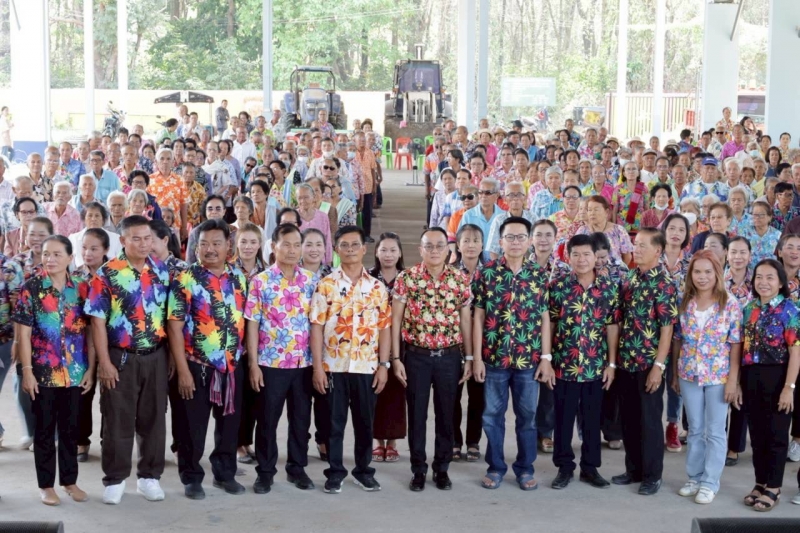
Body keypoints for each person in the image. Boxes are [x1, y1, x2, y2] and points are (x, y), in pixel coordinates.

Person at [85, 215, 171, 505]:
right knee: (117, 420)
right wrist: (105, 363)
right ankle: (115, 479)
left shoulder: (160, 270)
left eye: (148, 238)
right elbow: (97, 322)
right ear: (122, 240)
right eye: (136, 238)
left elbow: (169, 317)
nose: (144, 244)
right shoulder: (107, 274)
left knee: (154, 419)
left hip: (156, 355)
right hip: (120, 357)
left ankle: (149, 478)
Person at [167, 219, 248, 500]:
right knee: (192, 427)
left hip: (231, 366)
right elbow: (174, 327)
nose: (210, 249)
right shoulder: (185, 279)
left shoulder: (238, 278)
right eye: (204, 244)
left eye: (216, 243)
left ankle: (225, 474)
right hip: (196, 366)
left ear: (228, 246)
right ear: (196, 247)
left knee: (229, 426)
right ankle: (191, 477)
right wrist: (183, 371)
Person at [471, 217, 552, 491]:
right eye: (510, 237)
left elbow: (544, 318)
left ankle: (525, 468)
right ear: (500, 241)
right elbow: (478, 316)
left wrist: (546, 358)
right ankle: (495, 467)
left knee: (527, 417)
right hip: (494, 359)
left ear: (529, 242)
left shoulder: (539, 275)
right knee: (492, 415)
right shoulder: (486, 273)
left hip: (528, 360)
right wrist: (477, 358)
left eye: (521, 237)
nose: (515, 242)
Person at [310, 225, 392, 494]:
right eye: (344, 245)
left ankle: (363, 471)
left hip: (366, 366)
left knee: (365, 422)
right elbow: (317, 327)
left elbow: (384, 328)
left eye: (355, 244)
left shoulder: (377, 287)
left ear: (364, 249)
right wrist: (318, 367)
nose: (350, 249)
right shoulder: (326, 285)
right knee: (334, 423)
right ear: (336, 250)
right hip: (333, 366)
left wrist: (384, 365)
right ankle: (335, 472)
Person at [392, 227, 473, 492]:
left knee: (446, 414)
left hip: (449, 357)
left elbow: (465, 321)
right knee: (416, 415)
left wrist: (469, 357)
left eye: (440, 245)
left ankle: (442, 468)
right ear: (420, 249)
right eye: (429, 246)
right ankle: (418, 469)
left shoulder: (459, 279)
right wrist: (396, 358)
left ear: (449, 250)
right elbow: (395, 321)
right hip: (416, 357)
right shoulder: (407, 278)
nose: (434, 250)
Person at [15, 235, 93, 506]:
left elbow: (91, 331)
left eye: (57, 254)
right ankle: (46, 486)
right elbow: (24, 334)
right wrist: (27, 371)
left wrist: (91, 368)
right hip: (43, 373)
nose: (50, 259)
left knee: (71, 430)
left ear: (70, 258)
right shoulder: (31, 288)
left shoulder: (81, 288)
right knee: (45, 431)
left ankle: (70, 481)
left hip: (75, 372)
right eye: (46, 254)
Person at [243, 224, 318, 494]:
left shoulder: (311, 281)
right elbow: (252, 323)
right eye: (286, 244)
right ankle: (265, 472)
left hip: (303, 364)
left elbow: (316, 324)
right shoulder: (260, 281)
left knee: (300, 421)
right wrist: (253, 364)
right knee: (267, 420)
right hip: (270, 363)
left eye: (297, 245)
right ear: (274, 246)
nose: (292, 250)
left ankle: (297, 469)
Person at [548, 234, 620, 490]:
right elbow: (551, 324)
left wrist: (611, 364)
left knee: (592, 419)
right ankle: (564, 468)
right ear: (568, 257)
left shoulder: (608, 287)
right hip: (563, 365)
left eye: (586, 254)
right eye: (575, 254)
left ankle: (590, 468)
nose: (581, 259)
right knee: (563, 419)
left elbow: (612, 326)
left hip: (594, 366)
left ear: (595, 257)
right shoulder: (558, 286)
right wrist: (547, 360)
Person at [672, 250, 743, 505]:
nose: (702, 277)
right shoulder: (684, 301)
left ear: (717, 274)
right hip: (689, 372)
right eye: (697, 271)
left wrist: (733, 381)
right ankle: (695, 477)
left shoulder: (730, 303)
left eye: (708, 272)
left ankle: (710, 482)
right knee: (695, 429)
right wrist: (675, 374)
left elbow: (735, 344)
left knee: (715, 431)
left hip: (718, 376)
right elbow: (678, 339)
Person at [612, 227, 678, 495]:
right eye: (635, 244)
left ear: (658, 251)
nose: (635, 249)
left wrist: (658, 367)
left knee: (649, 421)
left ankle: (652, 475)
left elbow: (667, 328)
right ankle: (634, 469)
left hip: (648, 363)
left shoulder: (664, 283)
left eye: (642, 245)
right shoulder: (630, 278)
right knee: (629, 419)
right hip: (626, 360)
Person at [740, 259, 800, 511]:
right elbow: (742, 347)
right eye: (759, 277)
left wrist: (789, 388)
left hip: (778, 377)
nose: (763, 282)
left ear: (781, 282)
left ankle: (774, 486)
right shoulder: (749, 308)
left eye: (770, 277)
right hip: (751, 376)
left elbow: (796, 352)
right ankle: (760, 482)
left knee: (776, 435)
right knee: (757, 434)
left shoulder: (790, 310)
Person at [72, 228, 111, 462]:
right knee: (82, 394)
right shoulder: (75, 276)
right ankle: (81, 441)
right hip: (81, 346)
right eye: (84, 248)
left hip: (109, 344)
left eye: (94, 248)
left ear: (106, 249)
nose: (88, 253)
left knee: (110, 395)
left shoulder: (115, 274)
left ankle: (109, 440)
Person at [369, 233, 407, 463]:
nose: (388, 255)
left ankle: (392, 441)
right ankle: (377, 441)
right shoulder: (368, 277)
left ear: (400, 253)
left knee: (396, 392)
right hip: (372, 343)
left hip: (402, 343)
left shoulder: (408, 277)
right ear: (376, 252)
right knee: (375, 390)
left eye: (393, 250)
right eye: (383, 250)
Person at [452, 225, 485, 462]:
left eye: (475, 240)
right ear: (458, 245)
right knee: (452, 395)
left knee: (478, 396)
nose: (471, 245)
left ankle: (473, 441)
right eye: (466, 240)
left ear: (482, 245)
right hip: (455, 344)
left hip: (483, 345)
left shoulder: (491, 273)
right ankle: (455, 441)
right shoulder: (450, 273)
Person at [576, 195, 633, 265]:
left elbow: (627, 257)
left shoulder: (619, 230)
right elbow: (576, 253)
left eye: (596, 210)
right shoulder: (582, 231)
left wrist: (618, 270)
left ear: (606, 212)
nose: (592, 213)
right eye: (589, 210)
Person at [612, 161, 649, 236]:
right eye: (628, 169)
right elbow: (614, 210)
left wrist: (647, 227)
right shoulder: (618, 189)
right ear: (624, 173)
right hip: (622, 227)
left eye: (634, 169)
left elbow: (647, 208)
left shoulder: (644, 188)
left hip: (639, 227)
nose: (631, 171)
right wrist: (614, 228)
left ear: (638, 173)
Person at [741, 201, 781, 268]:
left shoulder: (778, 235)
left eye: (761, 215)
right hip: (749, 270)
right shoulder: (745, 233)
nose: (757, 217)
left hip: (771, 269)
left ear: (770, 217)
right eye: (755, 214)